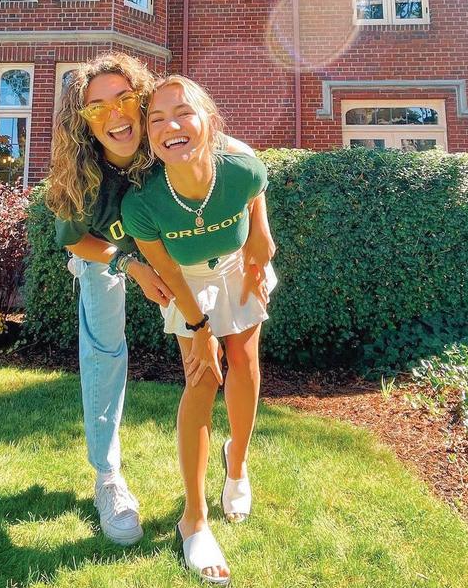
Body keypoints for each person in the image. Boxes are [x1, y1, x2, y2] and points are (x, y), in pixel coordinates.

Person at [45, 54, 274, 549]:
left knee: (218, 365)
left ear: (142, 102)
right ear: (83, 121)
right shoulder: (83, 174)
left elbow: (237, 162)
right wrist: (130, 266)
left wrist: (259, 230)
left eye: (124, 99)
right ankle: (108, 477)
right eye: (97, 107)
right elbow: (75, 240)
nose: (114, 114)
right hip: (107, 253)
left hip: (174, 255)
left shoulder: (164, 133)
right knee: (105, 352)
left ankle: (231, 468)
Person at [121, 75, 276, 585]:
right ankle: (194, 519)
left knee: (245, 364)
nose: (171, 126)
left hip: (236, 265)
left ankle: (237, 463)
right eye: (156, 119)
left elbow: (255, 185)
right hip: (186, 282)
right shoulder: (142, 204)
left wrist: (260, 236)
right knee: (201, 378)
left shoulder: (240, 166)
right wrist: (200, 327)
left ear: (208, 120)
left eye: (183, 112)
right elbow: (165, 271)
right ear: (149, 136)